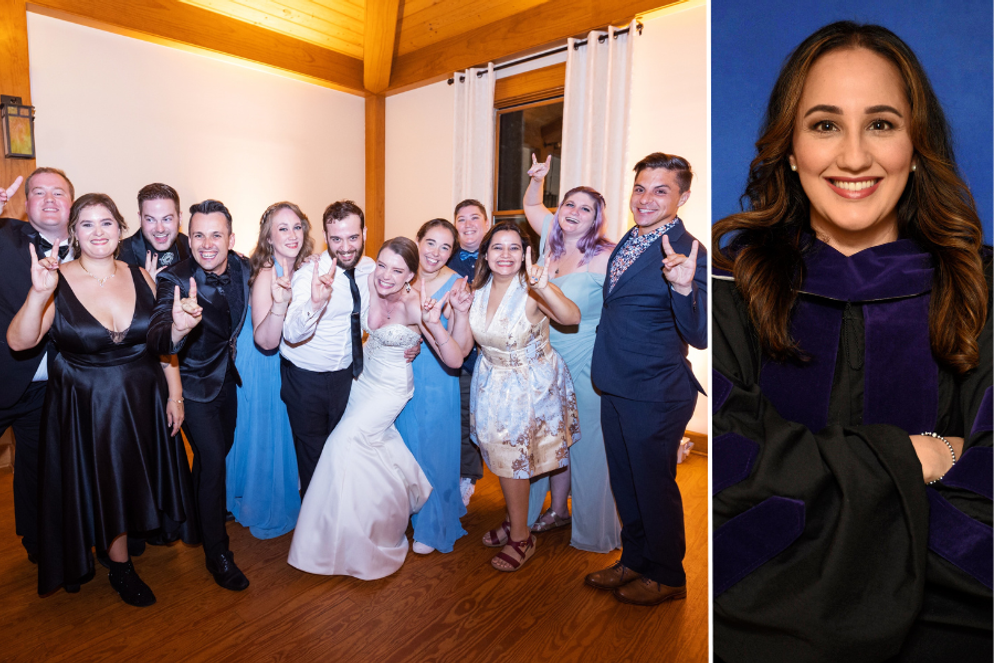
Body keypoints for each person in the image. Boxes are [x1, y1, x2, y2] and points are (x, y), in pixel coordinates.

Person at [710, 22, 991, 662]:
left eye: (883, 124)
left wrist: (806, 483)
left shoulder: (982, 289)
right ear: (790, 148)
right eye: (826, 124)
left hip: (953, 629)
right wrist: (910, 459)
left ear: (917, 146)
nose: (855, 157)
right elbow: (725, 481)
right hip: (759, 633)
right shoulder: (733, 293)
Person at [7, 193, 193, 606]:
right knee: (101, 483)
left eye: (106, 223)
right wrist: (39, 294)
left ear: (120, 229)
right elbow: (20, 342)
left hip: (141, 401)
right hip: (84, 407)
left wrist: (176, 395)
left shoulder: (140, 276)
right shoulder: (56, 278)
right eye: (87, 224)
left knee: (127, 482)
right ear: (74, 232)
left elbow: (161, 345)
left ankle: (123, 548)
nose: (97, 232)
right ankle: (121, 567)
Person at [288, 237, 471, 580]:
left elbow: (455, 358)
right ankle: (354, 526)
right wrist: (310, 257)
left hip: (390, 389)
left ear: (411, 276)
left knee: (340, 444)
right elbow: (344, 257)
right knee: (356, 456)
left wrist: (432, 325)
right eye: (383, 265)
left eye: (397, 270)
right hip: (362, 382)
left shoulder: (415, 305)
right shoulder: (370, 275)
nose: (386, 275)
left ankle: (351, 542)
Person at [585, 152, 707, 606]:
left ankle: (669, 576)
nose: (646, 199)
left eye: (661, 190)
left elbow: (700, 333)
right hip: (615, 383)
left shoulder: (687, 250)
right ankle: (634, 560)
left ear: (683, 196)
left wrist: (682, 287)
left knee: (654, 486)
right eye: (640, 188)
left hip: (656, 391)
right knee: (627, 482)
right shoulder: (629, 240)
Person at [148, 199, 252, 592]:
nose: (206, 244)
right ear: (187, 238)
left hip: (226, 380)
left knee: (217, 456)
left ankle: (195, 523)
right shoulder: (174, 279)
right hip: (189, 384)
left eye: (215, 234)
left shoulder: (242, 266)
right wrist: (176, 329)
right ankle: (218, 554)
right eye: (197, 235)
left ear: (230, 239)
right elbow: (157, 335)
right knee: (212, 462)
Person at [521, 155, 621, 553]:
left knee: (588, 445)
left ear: (596, 219)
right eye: (568, 204)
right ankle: (534, 516)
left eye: (585, 208)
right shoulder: (551, 241)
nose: (574, 212)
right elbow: (531, 206)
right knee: (544, 441)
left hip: (585, 360)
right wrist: (538, 179)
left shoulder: (607, 255)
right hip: (545, 359)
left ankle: (595, 531)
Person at [281, 201, 415, 495]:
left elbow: (383, 314)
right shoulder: (309, 275)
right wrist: (315, 304)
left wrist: (409, 339)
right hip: (307, 378)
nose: (344, 247)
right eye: (336, 239)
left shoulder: (370, 267)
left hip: (347, 376)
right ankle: (316, 531)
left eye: (352, 237)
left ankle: (339, 518)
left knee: (340, 454)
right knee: (314, 459)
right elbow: (290, 333)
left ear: (364, 233)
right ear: (326, 237)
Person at [470, 221, 581, 572]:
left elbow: (571, 316)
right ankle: (514, 519)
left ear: (524, 254)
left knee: (514, 461)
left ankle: (521, 537)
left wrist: (544, 287)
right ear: (485, 254)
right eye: (497, 247)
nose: (505, 255)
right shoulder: (478, 289)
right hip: (491, 382)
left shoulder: (531, 290)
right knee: (502, 459)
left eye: (514, 248)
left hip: (530, 387)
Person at [225, 202, 314, 539]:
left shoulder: (302, 268)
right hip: (262, 361)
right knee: (265, 431)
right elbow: (265, 336)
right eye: (282, 228)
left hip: (286, 358)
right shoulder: (266, 270)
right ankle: (262, 501)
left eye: (297, 227)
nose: (292, 235)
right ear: (269, 237)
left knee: (280, 430)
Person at [0, 168, 74, 567]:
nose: (49, 199)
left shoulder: (90, 247)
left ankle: (37, 542)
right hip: (2, 375)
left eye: (58, 192)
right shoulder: (2, 236)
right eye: (38, 192)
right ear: (24, 203)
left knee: (36, 471)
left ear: (71, 203)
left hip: (47, 389)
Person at [395, 219, 468, 555]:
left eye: (445, 247)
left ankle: (433, 523)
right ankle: (403, 515)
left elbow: (461, 345)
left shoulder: (455, 286)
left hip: (437, 375)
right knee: (404, 449)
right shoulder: (400, 277)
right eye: (430, 243)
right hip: (399, 375)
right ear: (418, 241)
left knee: (433, 451)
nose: (436, 253)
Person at [446, 199, 491, 506]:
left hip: (493, 355)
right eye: (461, 219)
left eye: (475, 218)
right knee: (461, 418)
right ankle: (462, 475)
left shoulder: (498, 258)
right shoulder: (446, 260)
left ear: (486, 223)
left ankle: (472, 476)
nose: (468, 224)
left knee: (485, 423)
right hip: (456, 355)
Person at [119, 183, 190, 278]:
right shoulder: (120, 255)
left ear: (180, 218)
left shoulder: (192, 247)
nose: (160, 229)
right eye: (150, 220)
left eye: (167, 219)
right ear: (140, 219)